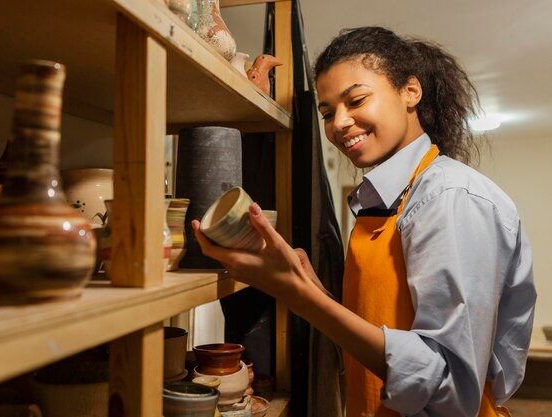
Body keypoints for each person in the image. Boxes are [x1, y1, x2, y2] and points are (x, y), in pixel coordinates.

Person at [192, 26, 536, 417]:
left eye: (356, 100)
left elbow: (449, 391)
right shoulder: (386, 201)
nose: (339, 123)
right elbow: (384, 333)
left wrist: (297, 295)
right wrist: (311, 289)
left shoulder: (449, 199)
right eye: (327, 112)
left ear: (410, 92)